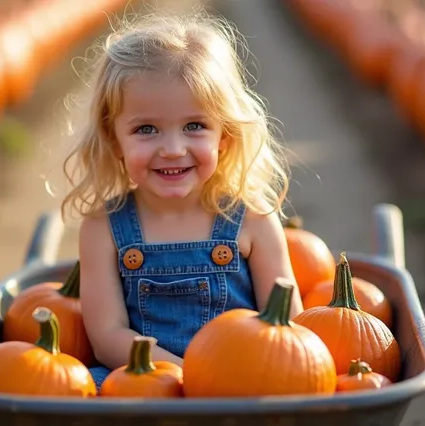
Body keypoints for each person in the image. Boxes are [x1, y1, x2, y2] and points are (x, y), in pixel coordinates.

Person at [59, 10, 302, 389]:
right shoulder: (102, 227)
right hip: (147, 382)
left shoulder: (252, 218)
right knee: (77, 391)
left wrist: (223, 379)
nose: (173, 149)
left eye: (194, 126)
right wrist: (185, 375)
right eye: (146, 129)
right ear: (114, 139)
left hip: (244, 382)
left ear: (224, 135)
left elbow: (288, 326)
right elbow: (108, 338)